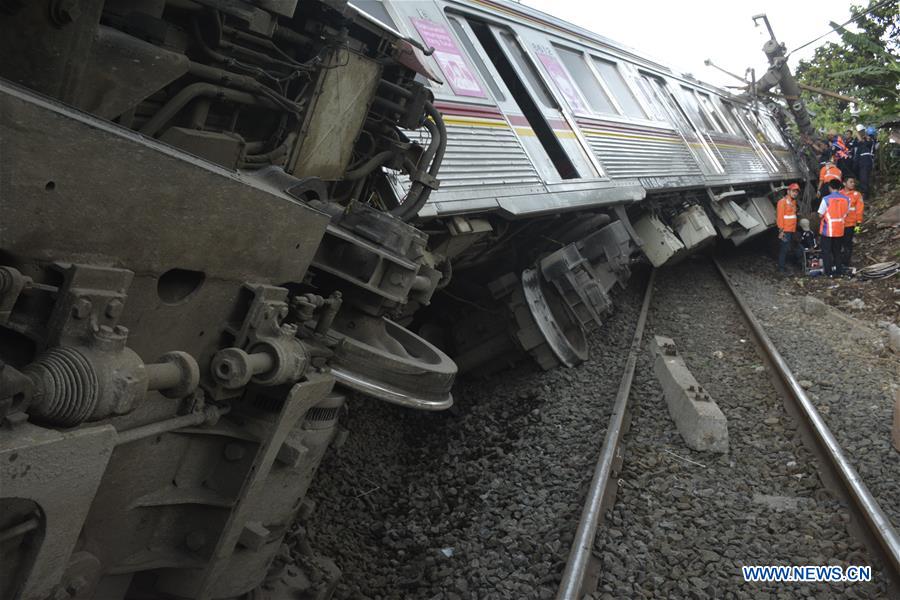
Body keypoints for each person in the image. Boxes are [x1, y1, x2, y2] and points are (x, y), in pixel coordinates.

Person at [817, 179, 850, 277]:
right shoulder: (847, 199)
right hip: (839, 230)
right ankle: (838, 271)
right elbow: (846, 213)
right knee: (837, 251)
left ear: (829, 188)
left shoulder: (826, 199)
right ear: (840, 188)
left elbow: (820, 214)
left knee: (826, 252)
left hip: (827, 230)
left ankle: (829, 272)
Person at [776, 183, 803, 273]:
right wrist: (781, 231)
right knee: (784, 249)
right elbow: (780, 218)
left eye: (796, 192)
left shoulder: (793, 202)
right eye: (793, 191)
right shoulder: (782, 202)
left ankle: (786, 266)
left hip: (792, 229)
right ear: (788, 191)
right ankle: (781, 269)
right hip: (785, 230)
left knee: (790, 248)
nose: (795, 193)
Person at [841, 177, 864, 270]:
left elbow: (859, 210)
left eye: (853, 182)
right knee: (838, 244)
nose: (853, 184)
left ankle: (846, 263)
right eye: (850, 182)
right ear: (844, 183)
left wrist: (858, 225)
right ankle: (838, 263)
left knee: (847, 244)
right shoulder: (839, 194)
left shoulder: (856, 195)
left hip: (850, 224)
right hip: (838, 224)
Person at [855, 126, 876, 195]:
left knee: (864, 177)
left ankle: (865, 194)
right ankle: (863, 192)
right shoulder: (862, 141)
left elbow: (864, 142)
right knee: (861, 177)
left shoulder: (871, 140)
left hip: (866, 161)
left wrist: (859, 136)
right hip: (860, 161)